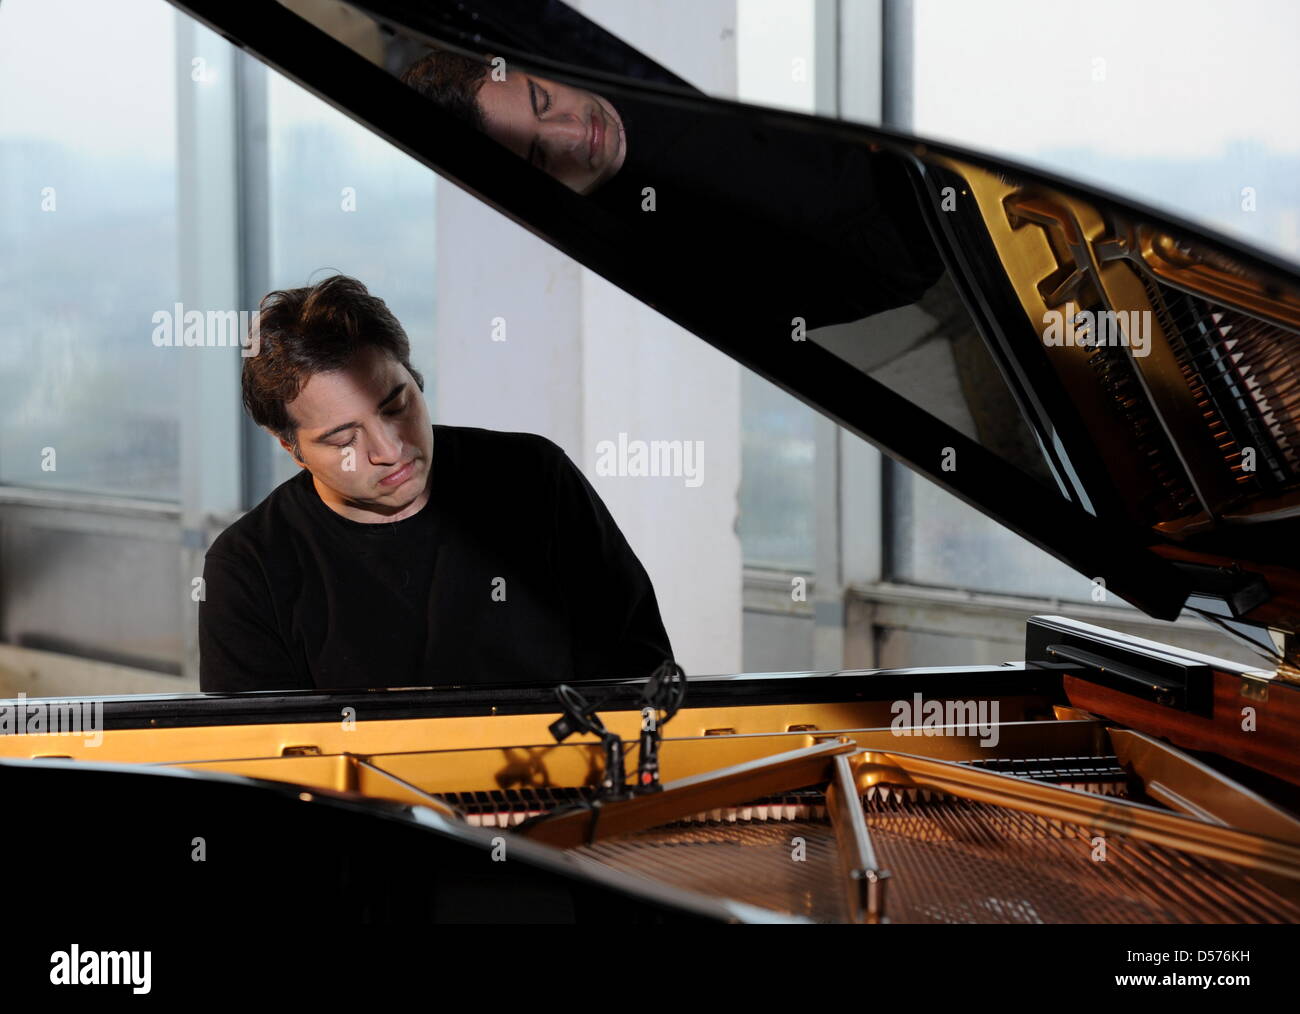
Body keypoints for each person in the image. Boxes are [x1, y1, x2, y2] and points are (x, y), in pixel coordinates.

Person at [198, 274, 673, 692]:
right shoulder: (249, 566)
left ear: (415, 379)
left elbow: (641, 673)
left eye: (396, 406)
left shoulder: (534, 477)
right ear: (290, 448)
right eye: (343, 438)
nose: (389, 450)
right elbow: (259, 756)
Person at [399, 48, 944, 331]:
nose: (574, 134)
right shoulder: (670, 273)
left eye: (543, 100)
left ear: (533, 66)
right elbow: (899, 274)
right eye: (542, 156)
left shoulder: (633, 51)